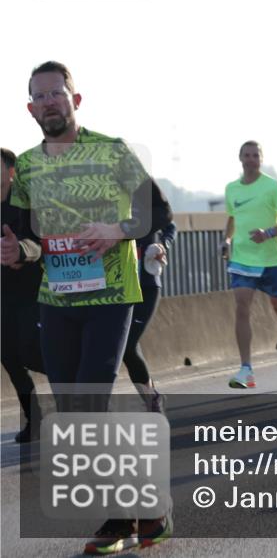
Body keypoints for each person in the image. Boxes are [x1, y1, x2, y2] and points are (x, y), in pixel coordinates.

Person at [1, 61, 172, 552]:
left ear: (76, 101)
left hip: (112, 293)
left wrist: (117, 229)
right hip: (57, 298)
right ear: (31, 108)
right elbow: (29, 235)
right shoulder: (28, 167)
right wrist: (18, 253)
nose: (50, 101)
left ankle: (133, 514)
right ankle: (135, 513)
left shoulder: (112, 151)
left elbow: (155, 210)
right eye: (41, 95)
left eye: (59, 92)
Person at [222, 141, 277, 389]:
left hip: (270, 260)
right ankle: (246, 370)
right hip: (241, 259)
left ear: (261, 159)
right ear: (240, 158)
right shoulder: (231, 189)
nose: (250, 159)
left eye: (255, 155)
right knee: (241, 307)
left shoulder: (272, 186)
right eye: (246, 155)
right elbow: (232, 220)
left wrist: (268, 233)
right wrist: (226, 240)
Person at [1, 147, 44, 443]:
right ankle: (35, 419)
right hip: (3, 294)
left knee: (32, 351)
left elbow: (39, 242)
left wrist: (21, 252)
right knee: (8, 356)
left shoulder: (26, 204)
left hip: (32, 289)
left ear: (11, 172)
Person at [122, 183, 175, 412]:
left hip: (146, 282)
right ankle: (150, 395)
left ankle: (151, 399)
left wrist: (163, 244)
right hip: (117, 284)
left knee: (128, 344)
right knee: (126, 346)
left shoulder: (146, 194)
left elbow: (170, 225)